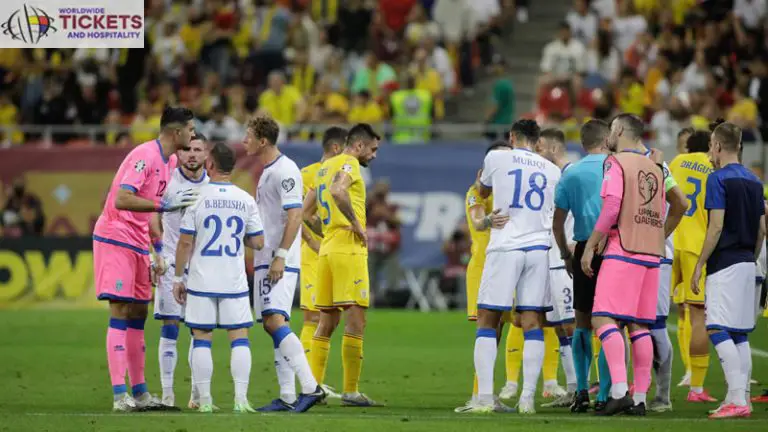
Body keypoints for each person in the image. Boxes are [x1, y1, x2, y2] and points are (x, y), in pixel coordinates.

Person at [92, 106, 197, 412]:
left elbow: (151, 207)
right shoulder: (145, 156)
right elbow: (122, 199)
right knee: (121, 308)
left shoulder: (171, 160)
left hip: (139, 242)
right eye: (190, 129)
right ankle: (119, 394)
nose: (193, 134)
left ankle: (140, 393)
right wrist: (162, 207)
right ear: (176, 132)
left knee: (139, 311)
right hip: (116, 236)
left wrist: (158, 249)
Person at [580, 114, 685, 416]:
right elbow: (682, 203)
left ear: (620, 131)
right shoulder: (657, 164)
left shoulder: (615, 163)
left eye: (612, 129)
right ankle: (639, 399)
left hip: (622, 248)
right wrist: (659, 233)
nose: (609, 136)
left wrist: (591, 244)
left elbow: (612, 205)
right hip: (653, 255)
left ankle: (617, 392)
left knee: (602, 319)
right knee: (640, 325)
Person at [467, 119, 561, 414]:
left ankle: (483, 398)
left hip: (505, 245)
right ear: (538, 141)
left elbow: (480, 192)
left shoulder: (497, 157)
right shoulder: (552, 169)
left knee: (488, 319)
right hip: (538, 248)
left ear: (512, 137)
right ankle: (527, 399)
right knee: (532, 322)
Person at [172, 142, 264, 413]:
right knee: (239, 338)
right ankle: (240, 399)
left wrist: (178, 278)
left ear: (210, 164)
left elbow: (185, 243)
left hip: (201, 281)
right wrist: (236, 237)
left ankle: (206, 401)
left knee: (201, 337)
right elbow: (258, 242)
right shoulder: (245, 199)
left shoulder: (195, 197)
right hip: (233, 281)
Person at [243, 115, 325, 413]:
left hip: (280, 259)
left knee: (273, 320)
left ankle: (311, 387)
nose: (244, 141)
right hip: (267, 258)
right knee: (273, 323)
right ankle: (289, 396)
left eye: (248, 135)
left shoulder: (285, 170)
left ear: (263, 140)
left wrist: (280, 255)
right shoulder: (268, 172)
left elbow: (295, 215)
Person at [303, 123, 382, 406]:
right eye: (372, 149)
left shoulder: (323, 168)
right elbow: (339, 191)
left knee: (326, 322)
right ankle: (350, 391)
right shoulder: (350, 163)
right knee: (356, 319)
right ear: (358, 145)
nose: (373, 156)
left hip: (326, 250)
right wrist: (356, 224)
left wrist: (325, 230)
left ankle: (313, 388)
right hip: (348, 248)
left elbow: (304, 211)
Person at [692, 122, 765, 419]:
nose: (711, 150)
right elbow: (763, 229)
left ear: (718, 146)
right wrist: (752, 257)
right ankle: (740, 397)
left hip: (726, 263)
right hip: (749, 261)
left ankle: (737, 400)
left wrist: (699, 263)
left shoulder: (718, 178)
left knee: (717, 328)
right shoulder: (754, 180)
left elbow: (716, 225)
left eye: (711, 144)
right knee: (739, 334)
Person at [552, 119, 611, 413]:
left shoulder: (571, 173)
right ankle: (606, 395)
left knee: (582, 322)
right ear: (607, 139)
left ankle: (582, 391)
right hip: (614, 250)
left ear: (583, 143)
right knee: (612, 324)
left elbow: (557, 223)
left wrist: (565, 254)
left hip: (582, 248)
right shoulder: (616, 168)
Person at [454, 140, 515, 414]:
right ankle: (480, 396)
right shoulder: (475, 193)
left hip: (511, 265)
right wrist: (491, 220)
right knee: (489, 329)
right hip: (484, 266)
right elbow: (478, 221)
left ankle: (488, 393)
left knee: (504, 330)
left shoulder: (514, 192)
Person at [152, 133, 209, 409]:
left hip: (201, 269)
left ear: (206, 154)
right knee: (170, 326)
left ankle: (197, 395)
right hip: (170, 264)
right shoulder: (167, 182)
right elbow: (150, 216)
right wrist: (157, 252)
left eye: (197, 149)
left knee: (198, 330)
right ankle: (167, 393)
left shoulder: (213, 187)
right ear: (179, 153)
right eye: (187, 149)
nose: (192, 154)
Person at [668, 130, 718, 401]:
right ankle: (696, 387)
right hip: (696, 247)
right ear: (710, 146)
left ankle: (634, 383)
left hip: (669, 241)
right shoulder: (713, 170)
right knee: (698, 315)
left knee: (649, 316)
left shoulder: (676, 162)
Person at [298, 126, 346, 400]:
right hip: (314, 252)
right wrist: (314, 241)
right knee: (313, 316)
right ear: (337, 148)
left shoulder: (338, 173)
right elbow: (295, 213)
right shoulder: (310, 173)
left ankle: (316, 381)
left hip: (331, 251)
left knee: (328, 316)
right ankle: (310, 382)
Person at [536, 128, 578, 409]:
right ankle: (574, 387)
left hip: (567, 262)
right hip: (550, 259)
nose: (535, 155)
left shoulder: (572, 174)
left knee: (573, 325)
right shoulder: (551, 178)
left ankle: (584, 388)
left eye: (539, 149)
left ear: (551, 149)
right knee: (561, 328)